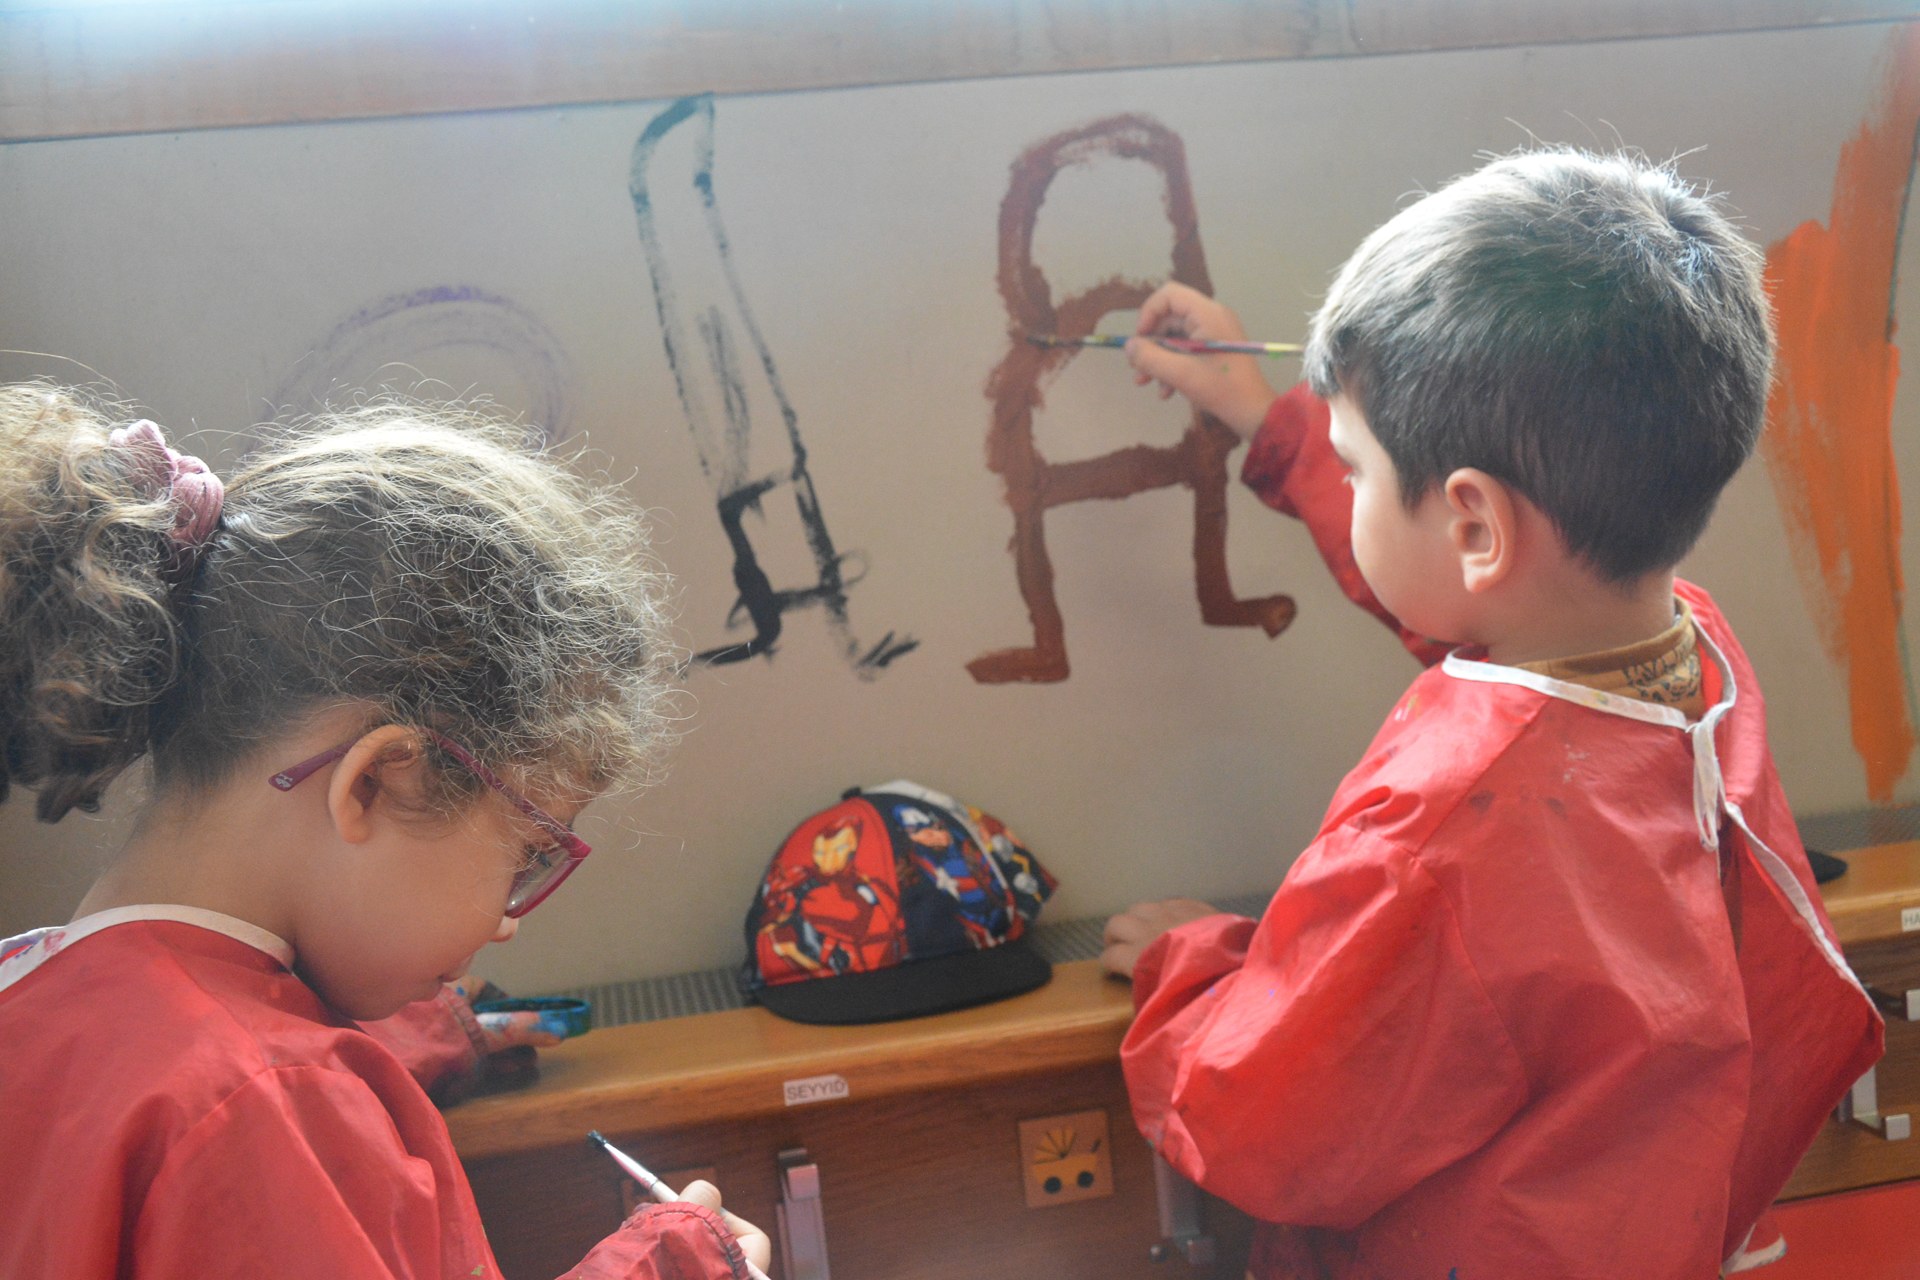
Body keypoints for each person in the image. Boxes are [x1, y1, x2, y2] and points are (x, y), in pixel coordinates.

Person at [1099, 149, 1885, 1280]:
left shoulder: (1434, 839)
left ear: (1473, 524)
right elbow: (1494, 617)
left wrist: (1189, 965)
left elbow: (1252, 1116)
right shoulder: (1687, 654)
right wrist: (1267, 421)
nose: (1350, 486)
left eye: (1355, 469)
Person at [0, 389, 771, 1279]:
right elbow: (248, 1114)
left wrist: (383, 1057)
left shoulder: (31, 998)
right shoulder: (269, 1104)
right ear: (374, 780)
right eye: (527, 854)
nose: (506, 921)